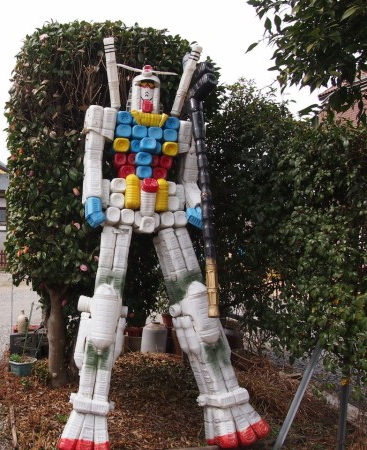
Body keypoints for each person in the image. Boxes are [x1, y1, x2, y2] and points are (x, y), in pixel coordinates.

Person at [58, 37, 269, 450]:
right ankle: (86, 415)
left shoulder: (181, 128)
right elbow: (91, 163)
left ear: (162, 93)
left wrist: (194, 204)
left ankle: (228, 409)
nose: (147, 94)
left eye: (154, 89)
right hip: (121, 207)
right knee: (102, 315)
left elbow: (188, 180)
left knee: (200, 314)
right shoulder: (105, 117)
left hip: (168, 211)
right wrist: (94, 200)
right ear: (132, 89)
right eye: (142, 88)